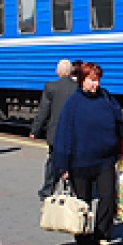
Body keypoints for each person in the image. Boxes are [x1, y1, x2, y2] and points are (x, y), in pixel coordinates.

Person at [51, 61, 123, 245]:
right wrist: (63, 166)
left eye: (97, 80)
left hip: (104, 159)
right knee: (83, 202)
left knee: (108, 197)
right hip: (79, 161)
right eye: (91, 80)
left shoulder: (106, 98)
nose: (95, 85)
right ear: (82, 80)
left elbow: (120, 121)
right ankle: (84, 238)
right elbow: (64, 135)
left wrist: (121, 143)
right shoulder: (73, 103)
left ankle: (102, 235)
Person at [31, 58, 78, 197]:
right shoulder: (77, 88)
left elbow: (43, 111)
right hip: (74, 132)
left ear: (59, 72)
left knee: (53, 161)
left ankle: (47, 190)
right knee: (73, 161)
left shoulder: (51, 86)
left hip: (56, 132)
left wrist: (35, 130)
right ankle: (74, 190)